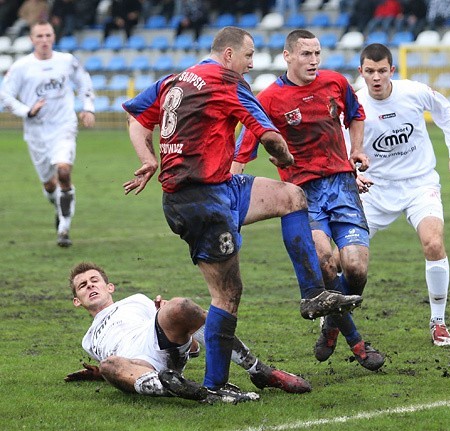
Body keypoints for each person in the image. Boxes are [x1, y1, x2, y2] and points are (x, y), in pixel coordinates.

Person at [121, 26, 363, 394]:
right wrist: (284, 155)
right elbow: (269, 137)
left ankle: (313, 294)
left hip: (220, 187)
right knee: (227, 294)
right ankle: (215, 386)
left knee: (292, 196)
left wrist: (147, 158)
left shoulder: (174, 80)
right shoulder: (226, 81)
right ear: (229, 54)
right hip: (200, 200)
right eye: (249, 55)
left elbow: (137, 118)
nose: (252, 64)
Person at [234, 29, 385, 371]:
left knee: (356, 270)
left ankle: (331, 322)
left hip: (343, 186)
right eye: (306, 54)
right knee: (324, 261)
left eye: (317, 54)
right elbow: (245, 149)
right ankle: (358, 342)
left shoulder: (335, 83)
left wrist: (357, 149)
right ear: (287, 57)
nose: (314, 60)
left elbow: (356, 114)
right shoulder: (270, 99)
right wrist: (225, 189)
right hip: (303, 194)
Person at [67, 262, 313, 404]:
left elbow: (192, 348)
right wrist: (100, 373)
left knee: (180, 305)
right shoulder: (88, 340)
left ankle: (260, 371)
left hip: (156, 340)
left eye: (94, 280)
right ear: (77, 301)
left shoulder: (135, 300)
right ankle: (202, 393)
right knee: (110, 364)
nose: (90, 285)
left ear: (109, 287)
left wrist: (164, 315)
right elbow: (122, 370)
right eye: (82, 285)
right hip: (139, 365)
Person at [355, 43, 450, 346]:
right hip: (374, 190)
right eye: (370, 71)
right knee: (347, 258)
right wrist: (353, 173)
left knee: (433, 243)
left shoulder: (413, 92)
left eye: (382, 71)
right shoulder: (354, 104)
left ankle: (438, 321)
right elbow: (343, 143)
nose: (376, 78)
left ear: (391, 70)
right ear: (361, 72)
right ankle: (334, 319)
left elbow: (444, 109)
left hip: (419, 184)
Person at [0, 20, 94, 247]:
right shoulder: (22, 67)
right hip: (36, 131)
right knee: (49, 185)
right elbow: (5, 95)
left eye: (48, 35)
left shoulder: (66, 61)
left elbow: (84, 81)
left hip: (63, 125)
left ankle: (64, 228)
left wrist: (88, 107)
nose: (44, 40)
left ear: (54, 37)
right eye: (39, 36)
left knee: (63, 171)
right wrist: (27, 111)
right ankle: (58, 203)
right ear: (31, 39)